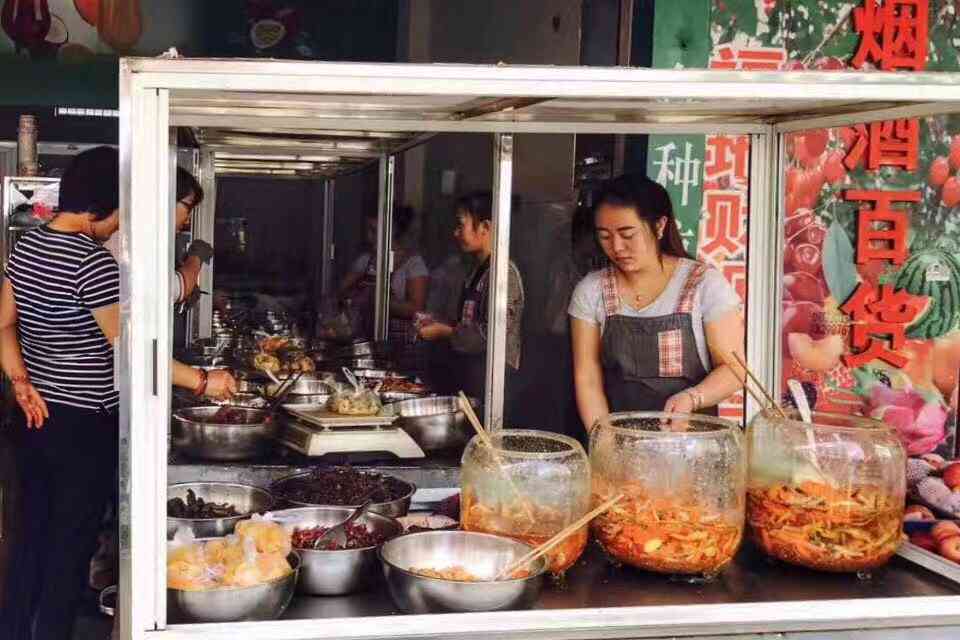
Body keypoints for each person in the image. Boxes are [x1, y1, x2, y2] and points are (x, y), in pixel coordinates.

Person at [0, 147, 235, 640]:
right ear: (97, 209)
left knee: (31, 537)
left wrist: (21, 382)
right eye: (121, 212)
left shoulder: (27, 247)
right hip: (84, 426)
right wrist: (202, 381)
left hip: (35, 418)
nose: (121, 224)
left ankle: (17, 628)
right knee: (71, 544)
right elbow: (131, 352)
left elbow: (3, 326)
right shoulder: (93, 265)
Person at [569, 174, 744, 432]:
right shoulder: (591, 291)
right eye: (605, 236)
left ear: (660, 226)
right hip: (621, 443)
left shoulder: (704, 284)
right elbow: (588, 378)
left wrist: (692, 398)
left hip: (693, 446)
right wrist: (603, 440)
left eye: (627, 234)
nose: (617, 247)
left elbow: (734, 369)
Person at [418, 191, 525, 404]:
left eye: (461, 225)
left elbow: (491, 334)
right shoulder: (478, 270)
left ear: (485, 227)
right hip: (472, 375)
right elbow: (469, 323)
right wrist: (439, 322)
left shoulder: (503, 274)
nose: (455, 233)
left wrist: (444, 332)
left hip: (494, 382)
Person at [102, 166, 213, 308]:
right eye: (188, 207)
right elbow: (174, 288)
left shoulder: (140, 234)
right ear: (165, 199)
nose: (187, 219)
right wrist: (196, 257)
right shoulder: (128, 236)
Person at [339, 206, 429, 348]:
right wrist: (354, 297)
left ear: (392, 231)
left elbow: (416, 309)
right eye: (367, 231)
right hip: (365, 338)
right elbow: (341, 291)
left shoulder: (414, 264)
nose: (369, 237)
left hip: (401, 344)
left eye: (374, 231)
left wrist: (378, 302)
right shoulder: (365, 260)